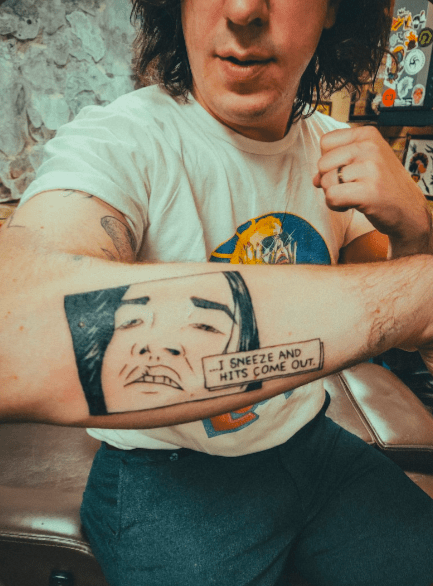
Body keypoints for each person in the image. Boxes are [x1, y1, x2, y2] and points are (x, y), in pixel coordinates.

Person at [0, 0, 433, 584]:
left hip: (310, 440)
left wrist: (415, 228)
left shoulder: (340, 151)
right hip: (165, 472)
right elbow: (14, 328)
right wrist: (415, 293)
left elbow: (406, 331)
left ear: (334, 10)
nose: (244, 8)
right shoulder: (122, 140)